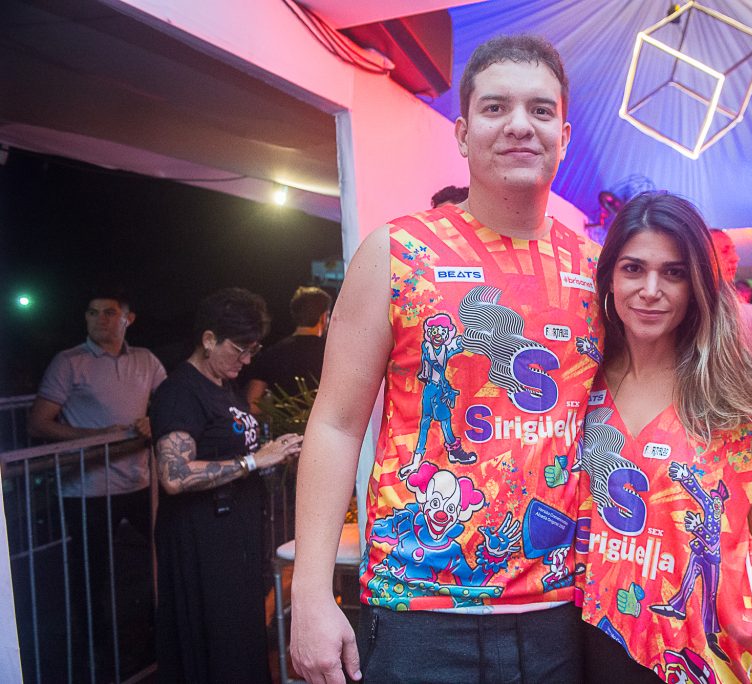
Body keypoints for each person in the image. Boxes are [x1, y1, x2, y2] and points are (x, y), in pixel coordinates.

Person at [289, 35, 603, 683]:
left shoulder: (599, 271)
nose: (520, 125)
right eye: (496, 107)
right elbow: (337, 423)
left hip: (564, 610)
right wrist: (312, 595)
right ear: (462, 133)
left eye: (541, 110)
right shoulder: (396, 252)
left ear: (564, 136)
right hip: (421, 612)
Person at [576, 192, 752, 684]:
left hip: (704, 658)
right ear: (609, 276)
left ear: (698, 283)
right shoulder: (579, 382)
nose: (650, 290)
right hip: (584, 643)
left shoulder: (737, 394)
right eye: (633, 269)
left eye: (674, 273)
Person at [149, 288, 303, 684]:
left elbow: (233, 452)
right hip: (203, 540)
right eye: (240, 349)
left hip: (235, 536)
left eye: (254, 349)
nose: (247, 360)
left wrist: (274, 453)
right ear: (208, 339)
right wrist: (253, 461)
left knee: (242, 637)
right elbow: (174, 475)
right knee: (218, 644)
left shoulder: (223, 385)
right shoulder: (180, 392)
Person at [27, 288, 166, 679]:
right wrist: (98, 437)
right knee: (91, 576)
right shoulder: (69, 362)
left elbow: (168, 401)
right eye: (92, 313)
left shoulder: (145, 360)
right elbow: (38, 423)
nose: (99, 319)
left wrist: (154, 418)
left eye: (108, 312)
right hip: (87, 488)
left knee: (165, 552)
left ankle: (160, 634)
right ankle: (96, 655)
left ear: (127, 319)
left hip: (140, 481)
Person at [245, 285, 333, 413]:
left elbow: (252, 404)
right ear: (324, 317)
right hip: (323, 425)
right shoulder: (332, 354)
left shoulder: (271, 354)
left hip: (282, 426)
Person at [710, 229, 752, 364]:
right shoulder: (692, 306)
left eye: (733, 250)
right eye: (725, 251)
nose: (736, 258)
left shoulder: (728, 307)